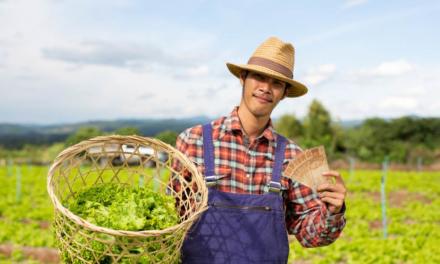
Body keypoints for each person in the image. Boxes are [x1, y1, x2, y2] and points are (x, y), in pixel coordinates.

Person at [172, 37, 347, 264]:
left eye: (276, 83)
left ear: (284, 93)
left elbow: (309, 235)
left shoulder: (293, 156)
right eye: (259, 77)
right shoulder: (193, 141)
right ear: (243, 78)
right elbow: (173, 216)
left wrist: (333, 212)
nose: (266, 88)